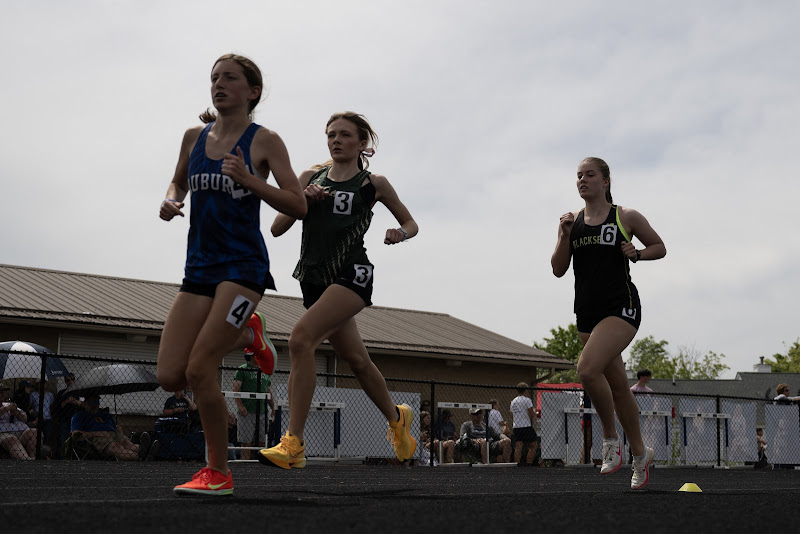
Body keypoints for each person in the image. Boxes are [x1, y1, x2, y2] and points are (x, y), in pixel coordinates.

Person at [156, 53, 306, 496]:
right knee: (171, 375)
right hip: (200, 268)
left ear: (252, 91)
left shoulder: (265, 141)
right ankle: (247, 335)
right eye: (214, 78)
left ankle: (217, 472)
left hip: (243, 268)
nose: (218, 84)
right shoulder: (192, 137)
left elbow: (296, 204)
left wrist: (249, 179)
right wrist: (170, 199)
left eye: (230, 78)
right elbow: (177, 182)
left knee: (201, 368)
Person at [259, 112, 418, 469]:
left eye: (345, 135)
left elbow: (411, 222)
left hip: (352, 274)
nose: (336, 140)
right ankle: (397, 418)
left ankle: (293, 444)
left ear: (363, 144)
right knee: (358, 361)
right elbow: (277, 227)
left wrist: (400, 233)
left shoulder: (372, 183)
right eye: (331, 134)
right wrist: (303, 198)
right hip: (314, 279)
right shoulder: (307, 177)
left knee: (301, 340)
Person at [551, 156, 666, 490]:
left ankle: (611, 441)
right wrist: (563, 235)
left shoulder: (624, 216)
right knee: (618, 386)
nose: (582, 180)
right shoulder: (573, 221)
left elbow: (659, 246)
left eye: (590, 175)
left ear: (606, 181)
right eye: (578, 176)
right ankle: (642, 455)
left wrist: (638, 253)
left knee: (586, 370)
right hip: (587, 314)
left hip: (621, 308)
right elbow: (558, 268)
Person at [69, 394, 158, 461]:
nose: (95, 405)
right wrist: (98, 433)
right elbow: (75, 434)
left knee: (127, 443)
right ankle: (141, 457)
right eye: (92, 402)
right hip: (97, 437)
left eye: (97, 402)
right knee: (116, 446)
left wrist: (118, 428)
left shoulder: (105, 415)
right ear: (84, 404)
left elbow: (114, 426)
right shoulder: (79, 416)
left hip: (114, 433)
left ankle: (142, 450)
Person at [233, 350, 274, 460]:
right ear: (251, 356)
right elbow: (235, 389)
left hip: (262, 410)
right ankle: (245, 461)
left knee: (262, 439)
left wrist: (273, 408)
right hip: (247, 410)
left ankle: (259, 461)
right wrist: (240, 406)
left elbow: (267, 390)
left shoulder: (264, 370)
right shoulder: (242, 369)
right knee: (246, 440)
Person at [0, 385, 37, 460]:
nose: (3, 394)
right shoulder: (7, 406)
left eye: (3, 392)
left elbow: (24, 419)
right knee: (12, 440)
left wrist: (16, 412)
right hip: (5, 433)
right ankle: (26, 461)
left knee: (34, 432)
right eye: (0, 392)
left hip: (21, 432)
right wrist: (7, 409)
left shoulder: (9, 404)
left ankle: (33, 458)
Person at [53, 373, 82, 458]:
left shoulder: (79, 393)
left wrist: (77, 402)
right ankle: (61, 458)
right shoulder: (62, 393)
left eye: (72, 379)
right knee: (63, 440)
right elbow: (57, 408)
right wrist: (67, 401)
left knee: (76, 441)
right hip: (64, 419)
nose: (70, 382)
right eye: (68, 380)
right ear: (65, 382)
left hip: (76, 421)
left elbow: (85, 405)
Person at [510, 382, 539, 466]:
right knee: (533, 445)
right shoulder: (527, 400)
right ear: (525, 390)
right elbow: (531, 413)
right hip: (526, 425)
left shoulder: (513, 401)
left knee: (518, 446)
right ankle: (529, 463)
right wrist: (534, 411)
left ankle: (517, 464)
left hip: (517, 426)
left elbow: (511, 414)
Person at [29, 379, 55, 454]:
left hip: (48, 419)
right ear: (37, 384)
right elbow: (29, 407)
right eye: (40, 383)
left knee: (46, 438)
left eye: (44, 383)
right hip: (38, 419)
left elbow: (52, 406)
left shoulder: (50, 395)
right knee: (37, 438)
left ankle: (45, 454)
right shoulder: (33, 394)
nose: (43, 385)